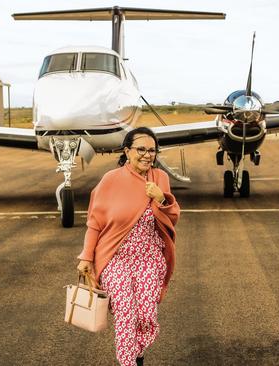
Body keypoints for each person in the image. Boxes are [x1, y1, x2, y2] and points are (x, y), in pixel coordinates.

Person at [76, 127, 180, 366]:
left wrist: (161, 198)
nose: (147, 154)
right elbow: (95, 222)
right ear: (127, 151)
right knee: (125, 311)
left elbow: (172, 218)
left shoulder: (160, 179)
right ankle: (128, 362)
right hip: (116, 257)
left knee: (145, 315)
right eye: (140, 149)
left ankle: (136, 353)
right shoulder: (110, 180)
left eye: (152, 150)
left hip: (149, 257)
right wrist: (86, 257)